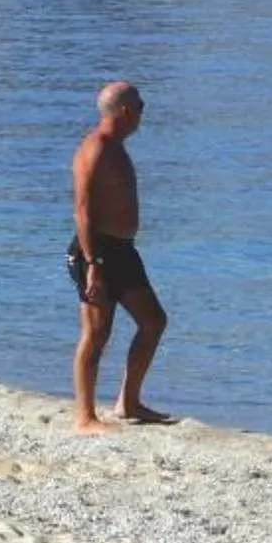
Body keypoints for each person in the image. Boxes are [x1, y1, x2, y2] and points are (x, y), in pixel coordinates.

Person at [68, 80, 171, 433]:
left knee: (153, 321)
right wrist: (93, 264)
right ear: (125, 111)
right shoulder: (96, 148)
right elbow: (82, 211)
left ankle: (128, 403)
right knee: (96, 332)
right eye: (141, 106)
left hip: (122, 250)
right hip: (97, 251)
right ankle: (85, 418)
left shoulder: (116, 147)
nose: (143, 112)